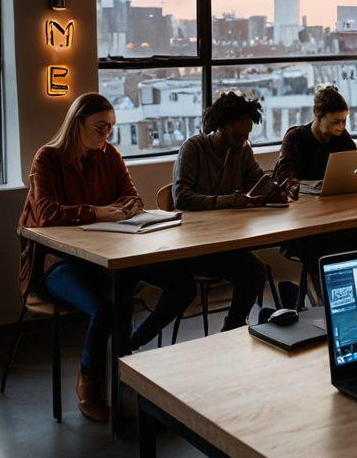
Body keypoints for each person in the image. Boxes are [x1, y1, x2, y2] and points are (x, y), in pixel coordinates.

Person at [17, 93, 195, 422]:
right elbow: (45, 213)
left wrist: (126, 206)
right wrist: (98, 212)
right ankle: (90, 381)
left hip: (111, 254)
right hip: (57, 262)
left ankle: (126, 348)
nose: (106, 136)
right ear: (77, 123)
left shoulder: (109, 155)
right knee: (105, 309)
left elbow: (132, 197)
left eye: (111, 129)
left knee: (183, 287)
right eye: (100, 128)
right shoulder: (48, 158)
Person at [171, 90, 269, 331]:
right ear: (221, 125)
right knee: (254, 272)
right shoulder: (193, 148)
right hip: (195, 244)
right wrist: (224, 201)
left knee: (255, 272)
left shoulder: (241, 149)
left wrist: (274, 187)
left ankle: (232, 328)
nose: (242, 139)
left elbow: (256, 179)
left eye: (246, 135)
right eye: (238, 134)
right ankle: (232, 330)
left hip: (227, 239)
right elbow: (181, 198)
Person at [272, 86, 357, 306]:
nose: (341, 127)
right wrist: (312, 187)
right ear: (318, 117)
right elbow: (285, 178)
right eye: (335, 122)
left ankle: (343, 299)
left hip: (332, 218)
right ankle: (322, 303)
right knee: (325, 242)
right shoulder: (295, 138)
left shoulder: (341, 138)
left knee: (349, 234)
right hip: (300, 226)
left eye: (344, 121)